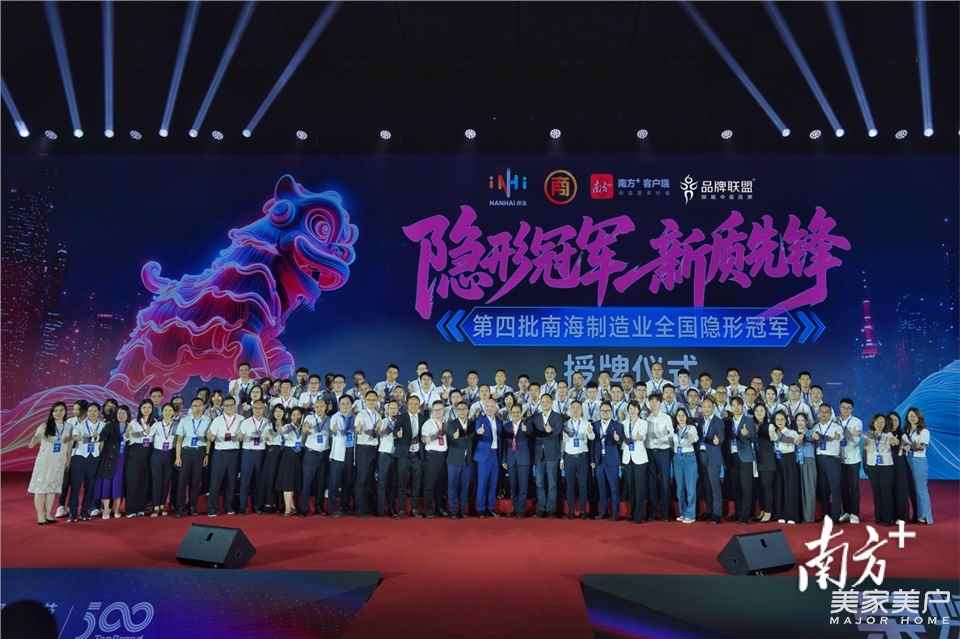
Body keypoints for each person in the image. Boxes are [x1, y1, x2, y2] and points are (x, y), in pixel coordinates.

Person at [27, 402, 71, 525]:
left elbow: (68, 445)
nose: (58, 413)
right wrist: (37, 436)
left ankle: (48, 514)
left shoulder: (68, 427)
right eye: (55, 410)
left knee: (52, 488)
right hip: (45, 462)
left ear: (65, 412)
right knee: (41, 488)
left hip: (59, 462)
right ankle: (40, 516)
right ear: (52, 413)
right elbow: (31, 445)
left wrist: (68, 459)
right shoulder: (44, 426)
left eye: (61, 410)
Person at [67, 403, 105, 521]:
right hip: (79, 457)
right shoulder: (80, 425)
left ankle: (85, 512)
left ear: (99, 412)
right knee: (76, 486)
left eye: (95, 411)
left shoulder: (103, 425)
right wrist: (91, 438)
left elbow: (103, 443)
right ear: (86, 412)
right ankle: (73, 513)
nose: (92, 413)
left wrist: (99, 442)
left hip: (94, 458)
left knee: (90, 487)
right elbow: (75, 437)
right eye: (90, 411)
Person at [207, 397, 242, 517]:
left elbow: (242, 435)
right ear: (223, 406)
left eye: (231, 405)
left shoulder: (241, 419)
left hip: (234, 453)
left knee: (231, 481)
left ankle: (229, 507)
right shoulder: (217, 420)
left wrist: (239, 437)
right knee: (215, 481)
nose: (229, 407)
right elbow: (210, 435)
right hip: (220, 453)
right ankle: (212, 508)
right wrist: (211, 437)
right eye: (226, 405)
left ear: (235, 405)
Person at [175, 398, 210, 517]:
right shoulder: (184, 420)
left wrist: (207, 454)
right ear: (191, 407)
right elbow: (179, 440)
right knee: (182, 481)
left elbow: (208, 440)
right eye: (195, 405)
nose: (197, 408)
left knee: (196, 481)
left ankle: (193, 507)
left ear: (203, 407)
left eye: (200, 405)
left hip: (200, 452)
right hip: (186, 452)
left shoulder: (207, 420)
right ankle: (180, 508)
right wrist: (178, 457)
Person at [94, 404, 131, 519]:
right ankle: (106, 509)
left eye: (124, 413)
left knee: (118, 484)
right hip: (109, 459)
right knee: (106, 483)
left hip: (123, 460)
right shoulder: (110, 425)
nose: (121, 415)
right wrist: (96, 437)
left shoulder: (131, 426)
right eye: (119, 413)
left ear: (128, 415)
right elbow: (101, 438)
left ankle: (116, 509)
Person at [531, 393, 564, 518]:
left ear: (551, 403)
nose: (545, 403)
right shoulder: (536, 417)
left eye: (547, 401)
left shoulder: (557, 417)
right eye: (543, 401)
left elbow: (558, 432)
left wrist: (551, 431)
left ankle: (551, 509)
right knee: (539, 482)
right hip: (539, 454)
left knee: (552, 483)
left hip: (552, 454)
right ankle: (541, 508)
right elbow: (533, 434)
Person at [810, 403, 843, 522]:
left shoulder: (837, 427)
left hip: (832, 459)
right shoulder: (815, 427)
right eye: (821, 412)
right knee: (823, 488)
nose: (823, 414)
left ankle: (836, 516)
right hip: (819, 458)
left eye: (826, 412)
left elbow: (840, 439)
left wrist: (837, 437)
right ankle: (825, 514)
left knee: (835, 488)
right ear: (818, 413)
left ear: (830, 414)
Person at [591, 402, 624, 521]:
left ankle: (615, 514)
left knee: (614, 488)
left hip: (612, 461)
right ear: (599, 412)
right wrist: (592, 460)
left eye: (607, 410)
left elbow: (621, 443)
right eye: (603, 411)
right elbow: (592, 444)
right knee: (601, 488)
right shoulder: (594, 425)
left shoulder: (618, 425)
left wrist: (617, 439)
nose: (605, 413)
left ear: (611, 412)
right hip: (599, 461)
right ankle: (603, 512)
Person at [563, 400, 594, 520]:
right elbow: (563, 443)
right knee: (569, 485)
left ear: (581, 410)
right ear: (570, 410)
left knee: (583, 484)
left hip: (582, 457)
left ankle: (583, 510)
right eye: (573, 408)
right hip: (569, 457)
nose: (575, 410)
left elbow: (592, 437)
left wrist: (590, 433)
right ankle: (570, 510)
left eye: (577, 408)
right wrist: (562, 460)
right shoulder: (565, 425)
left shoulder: (586, 423)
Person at [863, 414, 896, 526]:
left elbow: (894, 441)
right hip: (872, 465)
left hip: (886, 466)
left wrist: (894, 441)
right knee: (876, 492)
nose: (879, 424)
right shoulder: (868, 434)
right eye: (877, 421)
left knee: (886, 491)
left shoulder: (888, 434)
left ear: (885, 424)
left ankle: (888, 518)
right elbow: (864, 448)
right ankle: (878, 516)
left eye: (882, 422)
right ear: (873, 423)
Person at [901, 407, 933, 525]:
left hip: (919, 460)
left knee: (921, 489)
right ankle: (917, 515)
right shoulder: (906, 431)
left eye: (914, 415)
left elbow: (922, 447)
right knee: (912, 489)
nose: (912, 418)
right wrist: (905, 447)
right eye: (910, 416)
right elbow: (903, 446)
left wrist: (909, 447)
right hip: (907, 460)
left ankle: (926, 516)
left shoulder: (924, 431)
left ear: (919, 417)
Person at [645, 393, 674, 521]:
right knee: (651, 483)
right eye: (651, 401)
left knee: (664, 482)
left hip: (663, 452)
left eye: (656, 401)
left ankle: (665, 513)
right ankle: (652, 512)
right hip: (650, 452)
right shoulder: (647, 418)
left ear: (660, 403)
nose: (653, 404)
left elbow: (671, 435)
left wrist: (660, 438)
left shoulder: (666, 418)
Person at [328, 394, 358, 517]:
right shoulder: (335, 417)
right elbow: (332, 429)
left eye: (347, 403)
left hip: (351, 452)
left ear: (351, 405)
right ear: (339, 405)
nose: (345, 406)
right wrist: (334, 430)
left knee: (347, 481)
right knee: (334, 482)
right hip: (338, 454)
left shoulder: (355, 418)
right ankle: (332, 508)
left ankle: (345, 506)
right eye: (343, 404)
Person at [237, 398, 268, 514]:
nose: (258, 410)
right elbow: (239, 437)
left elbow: (270, 438)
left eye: (260, 408)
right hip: (248, 452)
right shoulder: (246, 422)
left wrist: (268, 437)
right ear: (252, 409)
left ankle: (258, 506)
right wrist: (246, 437)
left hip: (261, 453)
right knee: (245, 480)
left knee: (259, 481)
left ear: (264, 409)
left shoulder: (268, 422)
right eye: (255, 408)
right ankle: (242, 506)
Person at [301, 397, 331, 516]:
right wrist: (306, 429)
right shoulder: (309, 418)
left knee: (321, 482)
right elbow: (305, 429)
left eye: (321, 406)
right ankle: (304, 508)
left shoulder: (330, 419)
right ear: (314, 407)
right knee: (307, 481)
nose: (319, 409)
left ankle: (319, 507)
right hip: (311, 453)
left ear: (326, 407)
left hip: (324, 454)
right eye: (317, 406)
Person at [394, 395, 424, 517]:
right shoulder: (401, 417)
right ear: (407, 405)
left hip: (417, 455)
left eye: (416, 404)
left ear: (419, 406)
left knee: (416, 483)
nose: (413, 406)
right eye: (411, 403)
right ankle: (401, 509)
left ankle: (414, 509)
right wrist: (397, 433)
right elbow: (395, 430)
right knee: (402, 483)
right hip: (404, 454)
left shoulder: (423, 418)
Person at [123, 400, 154, 518]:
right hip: (135, 453)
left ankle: (141, 508)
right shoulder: (134, 422)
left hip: (148, 453)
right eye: (144, 407)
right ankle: (130, 509)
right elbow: (128, 436)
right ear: (140, 409)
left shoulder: (155, 422)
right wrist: (142, 433)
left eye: (149, 407)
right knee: (133, 481)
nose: (146, 410)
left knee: (144, 482)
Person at [697, 396, 725, 523]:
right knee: (706, 486)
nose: (706, 409)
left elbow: (721, 436)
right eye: (704, 407)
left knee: (715, 487)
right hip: (702, 456)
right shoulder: (700, 421)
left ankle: (717, 514)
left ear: (713, 407)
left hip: (713, 457)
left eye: (709, 407)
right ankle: (709, 511)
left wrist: (718, 440)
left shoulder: (718, 421)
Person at [770, 410, 800, 524]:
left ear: (786, 420)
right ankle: (780, 514)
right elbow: (772, 439)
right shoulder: (773, 432)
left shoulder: (792, 432)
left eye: (782, 419)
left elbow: (797, 441)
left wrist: (789, 439)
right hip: (777, 460)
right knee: (779, 487)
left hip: (789, 459)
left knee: (790, 487)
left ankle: (791, 515)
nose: (779, 421)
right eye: (777, 419)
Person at [729, 397, 756, 524]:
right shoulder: (728, 421)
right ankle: (738, 513)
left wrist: (747, 434)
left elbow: (754, 437)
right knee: (736, 486)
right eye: (734, 405)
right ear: (731, 407)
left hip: (745, 457)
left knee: (746, 487)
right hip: (732, 457)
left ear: (742, 406)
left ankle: (745, 515)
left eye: (739, 405)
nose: (736, 407)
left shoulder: (748, 420)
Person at [473, 397, 502, 517]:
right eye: (487, 406)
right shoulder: (480, 420)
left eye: (491, 406)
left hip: (495, 454)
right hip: (483, 455)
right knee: (482, 483)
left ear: (496, 408)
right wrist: (478, 433)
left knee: (493, 483)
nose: (489, 408)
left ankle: (491, 508)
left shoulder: (499, 421)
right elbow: (477, 433)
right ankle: (480, 509)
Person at [354, 390, 381, 517]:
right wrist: (359, 430)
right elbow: (357, 429)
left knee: (371, 478)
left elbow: (379, 433)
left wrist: (378, 430)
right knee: (362, 478)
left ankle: (369, 506)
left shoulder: (378, 415)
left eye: (373, 400)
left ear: (377, 401)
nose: (371, 402)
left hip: (374, 448)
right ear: (365, 401)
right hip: (363, 448)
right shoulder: (361, 414)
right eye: (369, 399)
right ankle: (360, 508)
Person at [502, 402, 532, 518]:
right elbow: (504, 444)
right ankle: (515, 508)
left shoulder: (527, 424)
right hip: (510, 459)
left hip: (523, 459)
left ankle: (521, 510)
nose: (515, 414)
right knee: (513, 486)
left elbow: (532, 439)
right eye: (513, 412)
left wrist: (526, 431)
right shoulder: (506, 426)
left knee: (523, 486)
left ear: (521, 413)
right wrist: (504, 459)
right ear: (510, 413)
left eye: (518, 412)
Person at [148, 403, 178, 517]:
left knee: (166, 481)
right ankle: (155, 506)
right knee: (157, 481)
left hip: (169, 454)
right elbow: (149, 437)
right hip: (157, 454)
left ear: (173, 413)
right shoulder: (156, 425)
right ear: (162, 412)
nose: (168, 412)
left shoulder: (176, 425)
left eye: (170, 410)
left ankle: (163, 505)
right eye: (165, 410)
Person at [420, 400, 449, 518]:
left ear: (443, 410)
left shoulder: (445, 423)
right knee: (430, 483)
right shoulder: (427, 424)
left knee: (441, 484)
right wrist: (437, 435)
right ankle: (429, 510)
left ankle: (440, 508)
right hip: (432, 455)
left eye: (440, 409)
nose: (437, 412)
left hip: (444, 455)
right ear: (432, 411)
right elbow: (424, 440)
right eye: (435, 410)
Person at [837, 399, 864, 524]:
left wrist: (846, 434)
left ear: (852, 409)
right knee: (843, 487)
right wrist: (848, 433)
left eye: (848, 408)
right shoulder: (835, 421)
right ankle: (846, 512)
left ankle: (854, 513)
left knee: (853, 487)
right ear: (839, 408)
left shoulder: (857, 421)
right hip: (839, 459)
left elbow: (856, 441)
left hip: (853, 459)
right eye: (843, 407)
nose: (845, 410)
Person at [445, 401, 473, 518]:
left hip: (468, 460)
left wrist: (460, 436)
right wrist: (457, 437)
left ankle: (463, 510)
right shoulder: (451, 424)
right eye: (459, 409)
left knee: (465, 486)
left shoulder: (472, 423)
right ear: (456, 411)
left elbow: (473, 438)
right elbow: (450, 440)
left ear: (467, 410)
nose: (462, 411)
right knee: (452, 486)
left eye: (464, 408)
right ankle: (453, 511)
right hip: (454, 460)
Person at [276, 406, 305, 516]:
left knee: (293, 481)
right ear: (290, 416)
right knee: (287, 481)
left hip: (298, 455)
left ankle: (292, 506)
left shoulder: (303, 427)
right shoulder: (288, 426)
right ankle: (287, 509)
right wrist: (279, 424)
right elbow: (281, 431)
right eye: (293, 415)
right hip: (288, 454)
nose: (296, 417)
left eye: (298, 414)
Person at [672, 407, 699, 524]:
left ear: (687, 417)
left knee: (690, 488)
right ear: (676, 418)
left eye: (683, 415)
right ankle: (682, 513)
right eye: (679, 416)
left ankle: (691, 514)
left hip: (689, 458)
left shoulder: (691, 428)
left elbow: (695, 438)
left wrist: (690, 437)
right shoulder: (673, 429)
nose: (681, 418)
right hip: (677, 458)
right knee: (680, 488)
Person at [888, 411, 914, 524]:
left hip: (900, 464)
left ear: (899, 422)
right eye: (891, 420)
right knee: (890, 490)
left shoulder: (902, 433)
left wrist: (903, 445)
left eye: (896, 420)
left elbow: (909, 445)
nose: (894, 422)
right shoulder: (885, 433)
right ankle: (892, 515)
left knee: (901, 490)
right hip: (887, 464)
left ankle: (903, 517)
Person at [752, 403, 776, 523]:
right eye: (757, 411)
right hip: (756, 461)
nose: (759, 413)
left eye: (762, 410)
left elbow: (774, 438)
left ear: (766, 412)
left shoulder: (770, 425)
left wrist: (772, 433)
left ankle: (768, 511)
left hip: (767, 461)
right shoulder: (752, 425)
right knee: (759, 487)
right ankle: (762, 510)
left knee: (767, 487)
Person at [376, 399, 400, 517]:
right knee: (382, 482)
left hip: (397, 454)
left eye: (395, 408)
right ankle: (380, 509)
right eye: (391, 408)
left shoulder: (401, 421)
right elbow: (379, 434)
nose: (393, 410)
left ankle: (391, 508)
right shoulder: (383, 421)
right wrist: (391, 428)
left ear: (398, 409)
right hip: (384, 454)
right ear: (387, 410)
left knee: (393, 483)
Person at [261, 404, 287, 513]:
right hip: (272, 452)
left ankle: (280, 504)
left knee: (281, 478)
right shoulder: (268, 424)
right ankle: (269, 503)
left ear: (284, 413)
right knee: (271, 477)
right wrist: (271, 434)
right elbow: (265, 437)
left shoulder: (288, 425)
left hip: (284, 452)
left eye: (280, 411)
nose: (278, 413)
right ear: (273, 413)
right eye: (276, 411)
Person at [794, 412, 817, 523]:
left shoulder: (810, 432)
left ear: (806, 422)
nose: (800, 422)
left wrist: (806, 436)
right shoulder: (792, 433)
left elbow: (814, 437)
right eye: (798, 420)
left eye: (802, 420)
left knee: (808, 489)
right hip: (796, 462)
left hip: (808, 461)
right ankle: (798, 516)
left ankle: (808, 517)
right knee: (797, 490)